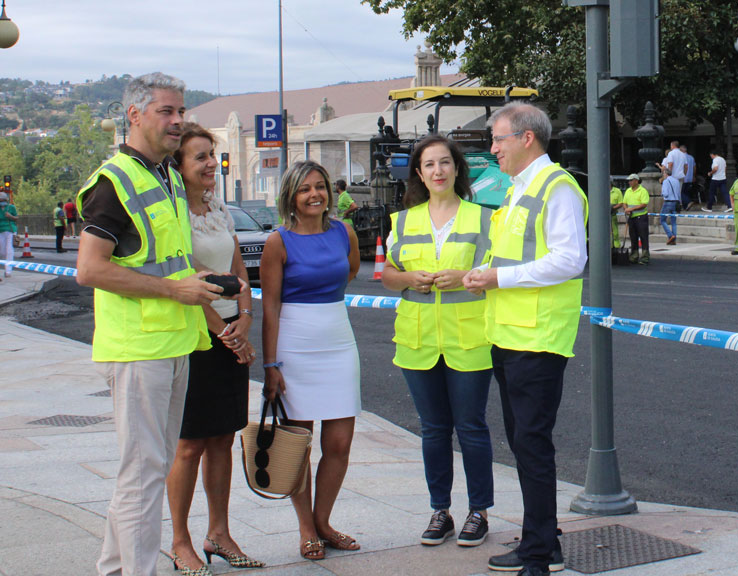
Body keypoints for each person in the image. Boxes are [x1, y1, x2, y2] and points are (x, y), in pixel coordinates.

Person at [75, 72, 222, 576]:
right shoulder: (113, 181)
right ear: (135, 115)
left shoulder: (162, 175)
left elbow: (158, 260)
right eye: (167, 111)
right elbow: (89, 270)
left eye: (181, 111)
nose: (178, 120)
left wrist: (198, 278)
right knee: (142, 477)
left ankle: (117, 570)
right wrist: (174, 289)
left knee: (143, 473)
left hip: (172, 342)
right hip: (139, 347)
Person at [463, 102, 588, 576]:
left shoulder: (556, 187)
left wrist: (498, 279)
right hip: (512, 335)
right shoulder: (519, 190)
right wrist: (481, 275)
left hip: (538, 338)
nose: (493, 149)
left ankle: (538, 555)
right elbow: (514, 258)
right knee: (523, 442)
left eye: (498, 139)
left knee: (532, 445)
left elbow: (570, 259)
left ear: (527, 138)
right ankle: (542, 538)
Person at [381, 134, 495, 548]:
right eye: (429, 165)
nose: (438, 171)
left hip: (470, 338)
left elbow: (498, 275)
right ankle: (440, 511)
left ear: (457, 169)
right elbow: (390, 276)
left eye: (445, 163)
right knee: (433, 430)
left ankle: (479, 510)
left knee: (471, 426)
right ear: (419, 174)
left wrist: (466, 278)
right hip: (418, 339)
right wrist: (410, 278)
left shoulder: (485, 219)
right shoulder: (403, 221)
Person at [165, 122, 262, 575]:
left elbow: (238, 267)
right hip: (196, 336)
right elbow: (185, 274)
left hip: (229, 332)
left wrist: (244, 319)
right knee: (189, 444)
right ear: (178, 165)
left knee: (223, 437)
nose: (210, 164)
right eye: (200, 157)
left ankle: (218, 533)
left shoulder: (217, 205)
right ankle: (179, 540)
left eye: (211, 155)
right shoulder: (174, 213)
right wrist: (224, 333)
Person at [260, 160, 362, 562]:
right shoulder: (277, 241)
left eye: (320, 186)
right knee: (298, 445)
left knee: (339, 443)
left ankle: (324, 522)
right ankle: (306, 529)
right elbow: (270, 307)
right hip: (294, 347)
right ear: (291, 196)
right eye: (305, 189)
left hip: (338, 341)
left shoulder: (344, 232)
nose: (315, 194)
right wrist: (271, 365)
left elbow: (348, 273)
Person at [623, 174, 650, 264]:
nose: (629, 182)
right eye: (629, 181)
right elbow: (624, 202)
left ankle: (645, 257)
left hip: (641, 217)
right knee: (633, 237)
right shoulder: (628, 191)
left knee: (643, 237)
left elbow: (644, 204)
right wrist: (626, 209)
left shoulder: (642, 191)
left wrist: (632, 209)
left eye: (631, 180)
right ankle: (634, 256)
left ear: (636, 181)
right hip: (631, 217)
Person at [658, 168, 681, 246]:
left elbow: (666, 193)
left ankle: (670, 235)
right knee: (673, 222)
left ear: (666, 174)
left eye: (663, 174)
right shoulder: (676, 181)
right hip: (676, 202)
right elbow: (678, 193)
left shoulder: (666, 181)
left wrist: (662, 194)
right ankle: (673, 239)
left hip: (668, 202)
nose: (663, 175)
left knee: (662, 220)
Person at [0, 191, 15, 281]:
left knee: (9, 250)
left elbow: (16, 218)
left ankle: (8, 271)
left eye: (2, 200)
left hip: (10, 230)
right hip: (0, 231)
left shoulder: (11, 207)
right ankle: (6, 264)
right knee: (3, 252)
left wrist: (10, 216)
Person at [679, 144, 697, 208]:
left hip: (683, 177)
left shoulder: (681, 157)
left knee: (680, 192)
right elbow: (694, 167)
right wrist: (693, 176)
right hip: (690, 177)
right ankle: (686, 206)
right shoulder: (691, 157)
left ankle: (688, 202)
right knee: (686, 192)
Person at [609, 179, 624, 250]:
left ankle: (616, 247)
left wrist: (613, 207)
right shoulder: (601, 190)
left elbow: (621, 203)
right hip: (603, 215)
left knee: (614, 231)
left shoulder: (617, 191)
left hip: (612, 214)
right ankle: (609, 246)